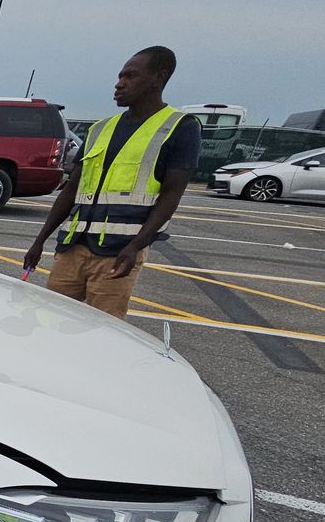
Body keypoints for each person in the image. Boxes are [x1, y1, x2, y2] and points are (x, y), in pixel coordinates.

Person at [23, 47, 200, 319]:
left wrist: (136, 246)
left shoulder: (179, 128)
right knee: (50, 320)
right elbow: (72, 189)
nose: (119, 84)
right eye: (119, 76)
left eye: (130, 76)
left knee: (101, 330)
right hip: (73, 246)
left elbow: (170, 196)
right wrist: (40, 240)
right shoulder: (100, 129)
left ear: (158, 78)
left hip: (118, 253)